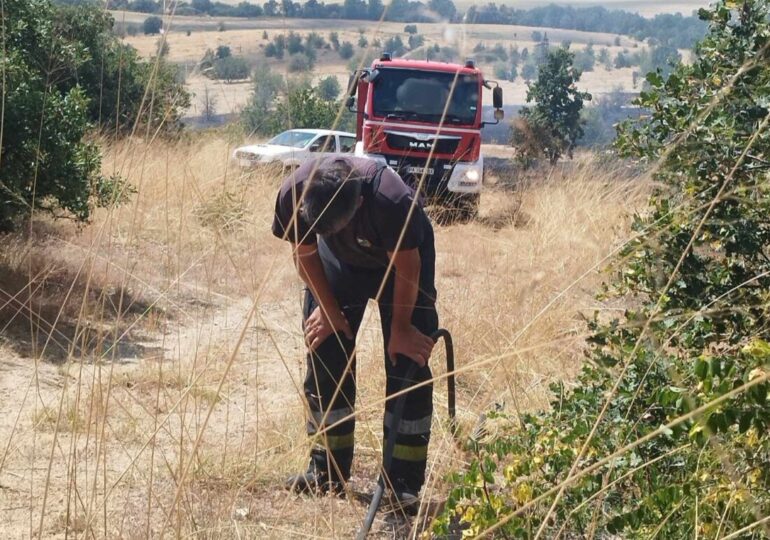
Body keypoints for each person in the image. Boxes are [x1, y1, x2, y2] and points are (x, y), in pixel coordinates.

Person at [271, 155, 439, 507]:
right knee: (326, 350)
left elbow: (408, 263)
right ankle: (327, 471)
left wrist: (401, 327)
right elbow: (304, 253)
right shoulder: (293, 194)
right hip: (339, 263)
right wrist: (330, 312)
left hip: (402, 263)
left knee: (407, 360)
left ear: (359, 202)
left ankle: (402, 484)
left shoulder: (391, 200)